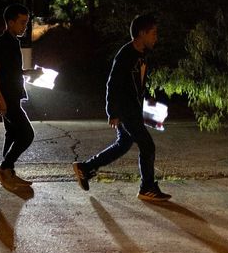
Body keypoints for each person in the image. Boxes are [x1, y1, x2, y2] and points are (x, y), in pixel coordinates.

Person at [72, 14, 171, 201]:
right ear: (142, 33)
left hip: (134, 108)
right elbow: (113, 83)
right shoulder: (126, 54)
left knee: (123, 144)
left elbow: (137, 84)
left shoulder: (143, 54)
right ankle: (147, 187)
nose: (156, 37)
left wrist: (148, 105)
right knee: (147, 146)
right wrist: (113, 112)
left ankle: (85, 168)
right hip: (126, 110)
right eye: (153, 33)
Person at [0, 4, 42, 187]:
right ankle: (4, 168)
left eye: (26, 23)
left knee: (12, 134)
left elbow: (9, 71)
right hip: (7, 98)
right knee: (27, 134)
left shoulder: (13, 41)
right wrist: (1, 100)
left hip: (12, 96)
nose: (25, 27)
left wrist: (28, 73)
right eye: (22, 22)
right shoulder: (4, 42)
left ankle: (8, 173)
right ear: (10, 22)